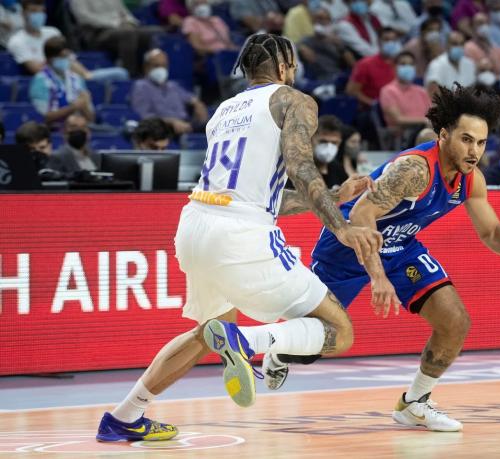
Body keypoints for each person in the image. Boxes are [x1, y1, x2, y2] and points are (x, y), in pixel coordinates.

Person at [95, 33, 382, 443]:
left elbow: (263, 195)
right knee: (339, 329)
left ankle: (125, 416)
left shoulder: (223, 112)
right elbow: (301, 169)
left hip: (196, 223)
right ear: (285, 68)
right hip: (241, 233)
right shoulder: (294, 100)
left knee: (205, 332)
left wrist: (335, 195)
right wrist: (341, 224)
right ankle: (247, 342)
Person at [306, 84, 500, 432]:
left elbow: (491, 232)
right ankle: (271, 350)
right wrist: (378, 277)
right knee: (310, 342)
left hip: (401, 245)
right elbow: (361, 217)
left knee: (455, 322)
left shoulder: (471, 180)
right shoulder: (415, 170)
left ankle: (414, 403)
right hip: (348, 245)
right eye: (466, 139)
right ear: (443, 134)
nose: (474, 151)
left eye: (481, 143)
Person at [70, 0, 162, 77]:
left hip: (120, 29)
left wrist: (130, 22)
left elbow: (124, 12)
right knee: (128, 34)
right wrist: (115, 24)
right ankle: (129, 74)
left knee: (151, 33)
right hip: (96, 33)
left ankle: (146, 73)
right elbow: (83, 18)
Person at [131, 49, 208, 135]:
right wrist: (171, 122)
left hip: (187, 125)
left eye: (164, 66)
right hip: (162, 129)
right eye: (157, 66)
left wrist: (198, 104)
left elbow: (190, 98)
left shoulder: (173, 86)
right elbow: (144, 117)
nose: (161, 69)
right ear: (146, 67)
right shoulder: (141, 86)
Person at [29, 36, 95, 126]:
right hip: (53, 129)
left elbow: (91, 119)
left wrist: (85, 106)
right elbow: (44, 118)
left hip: (80, 128)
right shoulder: (40, 81)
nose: (66, 60)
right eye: (62, 56)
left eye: (67, 56)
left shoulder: (77, 79)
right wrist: (73, 107)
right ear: (50, 59)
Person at [379, 51, 432, 131]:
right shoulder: (388, 91)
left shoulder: (421, 91)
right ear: (394, 67)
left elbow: (432, 114)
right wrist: (424, 121)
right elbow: (398, 119)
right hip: (403, 136)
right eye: (403, 64)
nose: (408, 67)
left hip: (426, 130)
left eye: (411, 64)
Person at [424, 30, 477, 97]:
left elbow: (473, 89)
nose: (458, 47)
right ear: (446, 45)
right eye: (454, 44)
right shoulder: (436, 65)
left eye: (461, 44)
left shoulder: (470, 64)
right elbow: (433, 95)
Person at [50, 112, 98, 176]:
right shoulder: (57, 157)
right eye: (74, 127)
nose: (79, 131)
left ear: (88, 133)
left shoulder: (96, 156)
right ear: (64, 132)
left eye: (83, 127)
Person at [311, 114, 349, 188]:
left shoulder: (338, 169)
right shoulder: (295, 170)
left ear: (340, 143)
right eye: (323, 142)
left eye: (334, 143)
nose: (329, 147)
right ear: (311, 139)